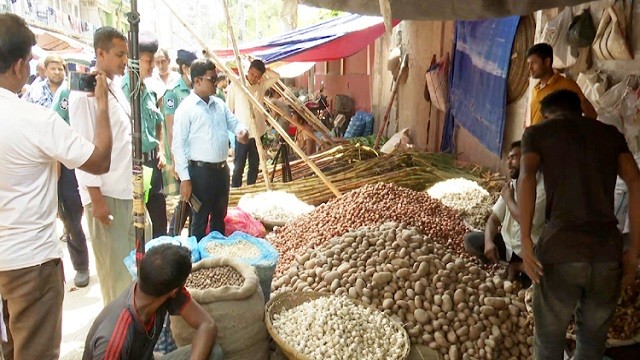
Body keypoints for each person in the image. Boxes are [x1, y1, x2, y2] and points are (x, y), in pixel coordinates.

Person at [0, 13, 112, 360]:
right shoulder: (34, 119)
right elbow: (99, 161)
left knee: (10, 349)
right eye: (32, 58)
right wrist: (103, 106)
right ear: (19, 65)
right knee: (35, 352)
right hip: (31, 263)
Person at [518, 89, 640, 359]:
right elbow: (635, 181)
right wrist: (632, 252)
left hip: (561, 252)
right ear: (579, 110)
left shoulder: (538, 133)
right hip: (606, 254)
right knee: (592, 342)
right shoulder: (609, 135)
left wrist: (526, 242)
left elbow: (525, 176)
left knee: (549, 342)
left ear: (548, 114)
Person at [69, 26, 150, 305]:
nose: (124, 60)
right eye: (118, 54)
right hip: (106, 197)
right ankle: (118, 339)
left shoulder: (112, 86)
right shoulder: (84, 96)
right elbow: (82, 152)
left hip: (128, 191)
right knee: (116, 278)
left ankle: (136, 332)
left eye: (126, 54)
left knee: (136, 270)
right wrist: (96, 199)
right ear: (100, 53)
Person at [82, 244, 222, 360]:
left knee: (213, 352)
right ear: (174, 290)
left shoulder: (157, 288)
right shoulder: (114, 339)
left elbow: (207, 325)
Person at [172, 59, 249, 240]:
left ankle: (216, 255)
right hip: (200, 173)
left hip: (221, 171)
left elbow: (235, 123)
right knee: (198, 220)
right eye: (212, 79)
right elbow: (178, 145)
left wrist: (242, 131)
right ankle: (198, 261)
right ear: (197, 81)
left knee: (219, 217)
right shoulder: (186, 109)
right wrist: (185, 178)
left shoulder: (219, 104)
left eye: (216, 78)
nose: (216, 83)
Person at [463, 141, 546, 281]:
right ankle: (510, 265)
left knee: (544, 276)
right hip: (508, 244)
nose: (509, 163)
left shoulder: (543, 188)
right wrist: (489, 242)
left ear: (528, 159)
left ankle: (517, 266)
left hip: (529, 250)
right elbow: (493, 220)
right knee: (470, 240)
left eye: (514, 157)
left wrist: (508, 198)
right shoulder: (512, 185)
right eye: (508, 158)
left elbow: (524, 218)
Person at [121, 31, 167, 238]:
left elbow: (158, 122)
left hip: (152, 164)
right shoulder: (123, 91)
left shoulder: (148, 90)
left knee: (158, 220)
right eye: (149, 61)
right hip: (134, 165)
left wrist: (160, 149)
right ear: (134, 60)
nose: (152, 66)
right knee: (140, 225)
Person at [50, 67, 92, 288]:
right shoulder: (66, 93)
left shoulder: (104, 89)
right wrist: (56, 168)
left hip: (94, 161)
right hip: (69, 165)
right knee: (73, 219)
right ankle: (81, 266)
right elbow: (56, 130)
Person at [227, 59, 280, 187]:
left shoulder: (261, 85)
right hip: (242, 131)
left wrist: (266, 70)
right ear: (248, 71)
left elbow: (276, 76)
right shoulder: (237, 84)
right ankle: (236, 188)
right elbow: (228, 108)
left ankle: (251, 187)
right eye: (252, 74)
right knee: (239, 164)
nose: (253, 78)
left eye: (257, 76)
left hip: (258, 131)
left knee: (255, 163)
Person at [164, 49, 198, 236]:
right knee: (185, 199)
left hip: (197, 155)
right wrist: (176, 160)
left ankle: (190, 236)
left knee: (193, 200)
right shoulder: (173, 93)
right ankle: (172, 235)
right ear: (185, 68)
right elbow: (171, 129)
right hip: (183, 156)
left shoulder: (196, 90)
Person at [526, 43, 597, 126]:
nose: (530, 68)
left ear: (547, 62)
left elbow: (591, 114)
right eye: (528, 64)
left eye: (533, 63)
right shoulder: (535, 89)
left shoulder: (567, 85)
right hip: (537, 137)